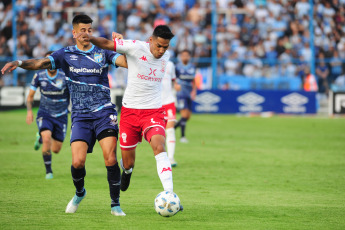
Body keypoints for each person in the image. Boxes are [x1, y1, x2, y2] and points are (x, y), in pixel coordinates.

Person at [1, 15, 128, 216]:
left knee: (110, 157)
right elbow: (41, 63)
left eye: (89, 30)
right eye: (83, 30)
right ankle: (80, 192)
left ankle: (115, 204)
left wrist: (121, 45)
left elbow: (126, 62)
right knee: (77, 162)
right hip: (80, 115)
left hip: (104, 112)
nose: (87, 34)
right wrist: (19, 62)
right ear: (74, 33)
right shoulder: (65, 54)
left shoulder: (102, 53)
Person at [77, 25, 183, 212]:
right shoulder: (135, 47)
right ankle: (127, 172)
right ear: (150, 40)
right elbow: (108, 44)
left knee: (159, 146)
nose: (161, 51)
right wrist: (89, 38)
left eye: (165, 47)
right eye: (159, 46)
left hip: (153, 112)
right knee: (128, 162)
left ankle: (170, 195)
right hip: (130, 113)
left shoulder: (166, 57)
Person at [26, 51, 69, 180]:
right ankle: (48, 172)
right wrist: (29, 111)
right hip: (45, 113)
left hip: (61, 115)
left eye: (52, 62)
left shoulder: (65, 75)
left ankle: (40, 136)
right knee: (47, 139)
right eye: (47, 61)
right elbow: (30, 97)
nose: (50, 64)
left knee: (56, 149)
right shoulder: (39, 75)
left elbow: (73, 94)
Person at [174, 50, 197, 143]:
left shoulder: (192, 67)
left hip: (189, 92)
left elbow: (194, 80)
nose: (185, 57)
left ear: (189, 57)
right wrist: (175, 85)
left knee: (188, 117)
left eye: (187, 55)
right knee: (184, 114)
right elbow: (173, 79)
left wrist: (194, 91)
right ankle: (183, 137)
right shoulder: (177, 67)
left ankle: (172, 128)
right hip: (181, 93)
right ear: (180, 56)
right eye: (183, 55)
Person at [161, 60, 178, 167]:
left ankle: (171, 158)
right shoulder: (149, 61)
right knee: (158, 133)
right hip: (155, 103)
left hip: (169, 102)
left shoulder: (170, 64)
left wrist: (176, 86)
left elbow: (173, 81)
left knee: (170, 130)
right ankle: (162, 158)